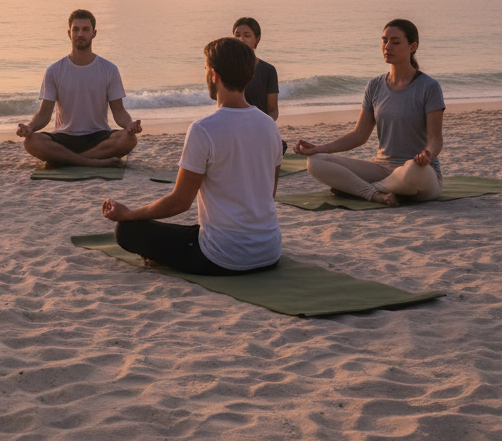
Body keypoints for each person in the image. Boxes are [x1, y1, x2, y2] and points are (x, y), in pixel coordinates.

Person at [102, 36, 282, 274]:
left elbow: (180, 202)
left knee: (126, 230)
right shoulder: (269, 125)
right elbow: (268, 193)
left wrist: (129, 214)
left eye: (206, 69)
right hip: (269, 251)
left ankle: (166, 256)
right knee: (191, 231)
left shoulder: (204, 129)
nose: (205, 75)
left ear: (214, 75)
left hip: (223, 257)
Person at [294, 19, 444, 206]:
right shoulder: (374, 86)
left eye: (395, 42)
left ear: (412, 47)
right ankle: (375, 194)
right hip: (382, 167)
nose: (387, 46)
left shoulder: (429, 87)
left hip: (419, 171)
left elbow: (436, 139)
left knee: (410, 170)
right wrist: (318, 149)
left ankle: (360, 189)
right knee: (315, 162)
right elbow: (359, 135)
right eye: (384, 40)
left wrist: (427, 154)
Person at [17, 9, 141, 167]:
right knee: (31, 142)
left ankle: (68, 160)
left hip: (99, 136)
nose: (80, 34)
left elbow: (119, 112)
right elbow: (43, 114)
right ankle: (92, 162)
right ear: (69, 33)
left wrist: (130, 125)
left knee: (129, 139)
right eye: (76, 29)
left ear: (94, 33)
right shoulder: (54, 71)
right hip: (64, 137)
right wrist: (29, 127)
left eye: (85, 30)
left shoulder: (109, 69)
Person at [232, 16, 287, 154]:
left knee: (280, 146)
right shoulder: (227, 69)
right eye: (237, 35)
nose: (241, 39)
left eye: (247, 35)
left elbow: (273, 110)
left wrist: (262, 127)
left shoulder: (268, 70)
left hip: (260, 128)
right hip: (233, 128)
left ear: (257, 39)